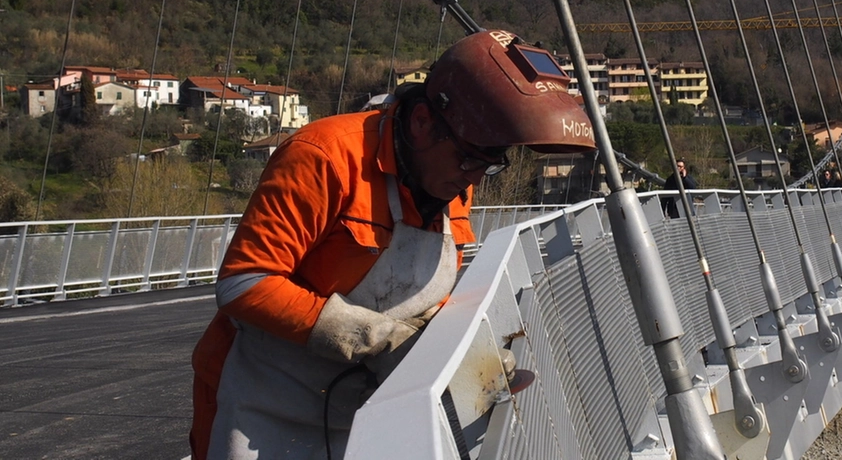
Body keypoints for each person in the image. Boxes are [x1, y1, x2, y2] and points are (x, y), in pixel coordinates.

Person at [189, 29, 595, 460]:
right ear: (422, 123)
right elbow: (244, 284)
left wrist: (467, 357)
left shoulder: (453, 178)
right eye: (470, 159)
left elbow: (424, 302)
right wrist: (377, 338)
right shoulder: (324, 156)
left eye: (489, 165)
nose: (474, 178)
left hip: (359, 413)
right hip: (259, 407)